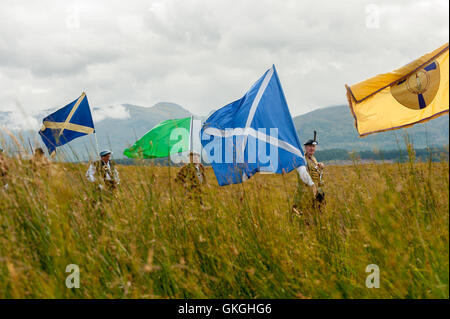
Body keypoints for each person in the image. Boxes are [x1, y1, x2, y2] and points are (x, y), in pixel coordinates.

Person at [293, 131, 326, 218]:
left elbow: (313, 168)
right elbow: (304, 174)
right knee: (306, 215)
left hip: (316, 191)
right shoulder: (302, 159)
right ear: (305, 147)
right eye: (310, 146)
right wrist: (312, 186)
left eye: (313, 146)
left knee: (318, 214)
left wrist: (319, 165)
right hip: (306, 193)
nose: (312, 148)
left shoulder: (313, 159)